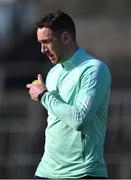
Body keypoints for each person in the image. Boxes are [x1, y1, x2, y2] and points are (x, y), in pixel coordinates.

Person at [26, 10, 111, 179]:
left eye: (47, 42)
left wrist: (44, 95)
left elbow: (79, 119)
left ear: (66, 37)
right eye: (40, 43)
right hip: (45, 171)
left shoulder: (94, 69)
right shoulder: (53, 73)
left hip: (82, 173)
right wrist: (45, 96)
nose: (42, 49)